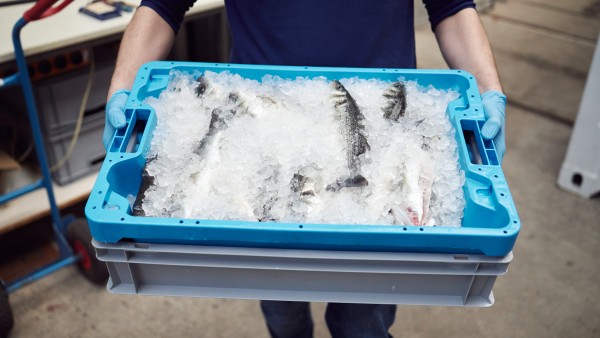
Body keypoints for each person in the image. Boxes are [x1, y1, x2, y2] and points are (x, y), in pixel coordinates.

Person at [103, 1, 506, 337]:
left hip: (383, 118)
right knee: (281, 307)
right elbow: (163, 5)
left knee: (364, 322)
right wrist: (122, 85)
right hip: (258, 114)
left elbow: (451, 6)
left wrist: (489, 89)